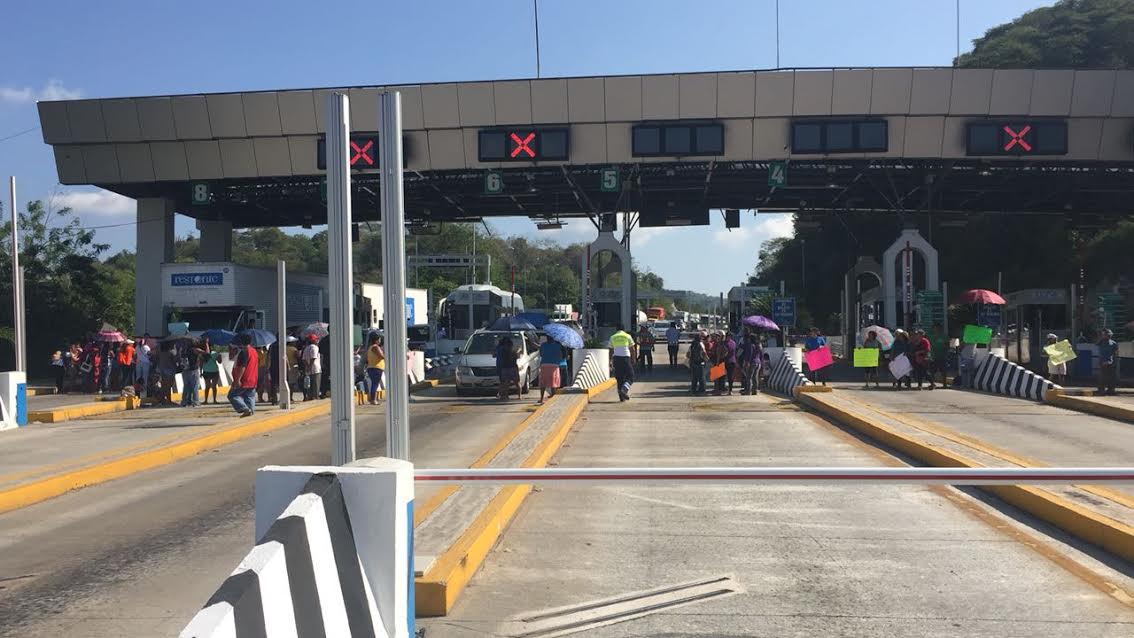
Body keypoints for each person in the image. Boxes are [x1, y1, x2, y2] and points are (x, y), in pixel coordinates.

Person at [228, 333, 259, 417]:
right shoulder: (254, 351)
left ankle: (245, 409)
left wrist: (237, 380)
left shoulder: (244, 352)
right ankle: (250, 412)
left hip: (244, 379)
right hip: (253, 378)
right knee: (249, 396)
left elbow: (242, 366)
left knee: (232, 395)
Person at [609, 325, 636, 402]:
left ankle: (621, 397)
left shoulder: (613, 337)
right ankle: (624, 389)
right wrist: (633, 359)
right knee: (631, 376)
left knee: (619, 377)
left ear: (616, 329)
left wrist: (610, 360)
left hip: (616, 359)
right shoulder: (627, 336)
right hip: (625, 358)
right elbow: (632, 349)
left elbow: (611, 350)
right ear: (624, 329)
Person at [538, 334, 564, 404]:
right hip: (554, 365)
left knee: (543, 382)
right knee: (553, 382)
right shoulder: (558, 346)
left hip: (544, 364)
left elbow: (541, 354)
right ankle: (553, 397)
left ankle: (541, 398)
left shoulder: (543, 345)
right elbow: (560, 355)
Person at [181, 339, 204, 407]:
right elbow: (206, 353)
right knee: (194, 386)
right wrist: (206, 344)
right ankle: (195, 401)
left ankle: (185, 401)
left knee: (186, 386)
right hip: (193, 369)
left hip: (185, 370)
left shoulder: (184, 350)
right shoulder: (195, 350)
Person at [1097, 329, 1118, 396]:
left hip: (1110, 362)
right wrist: (1101, 337)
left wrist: (1115, 362)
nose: (1107, 336)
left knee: (1112, 377)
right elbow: (1097, 344)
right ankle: (1101, 390)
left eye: (1108, 335)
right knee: (1102, 377)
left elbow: (1115, 353)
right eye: (1105, 335)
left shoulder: (1113, 343)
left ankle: (1111, 390)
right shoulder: (1101, 342)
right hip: (1102, 361)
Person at [201, 338, 222, 404]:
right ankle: (214, 400)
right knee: (214, 386)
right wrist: (219, 356)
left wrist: (200, 372)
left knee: (207, 386)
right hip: (214, 371)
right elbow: (220, 362)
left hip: (206, 371)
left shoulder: (203, 354)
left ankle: (206, 400)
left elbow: (200, 364)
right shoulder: (215, 353)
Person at [366, 334, 385, 404]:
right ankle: (373, 400)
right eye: (379, 339)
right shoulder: (375, 347)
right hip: (376, 368)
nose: (380, 341)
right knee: (375, 384)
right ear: (376, 340)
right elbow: (381, 356)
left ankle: (373, 399)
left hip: (372, 367)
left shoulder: (370, 347)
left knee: (375, 383)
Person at [302, 335, 322, 401]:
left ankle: (310, 396)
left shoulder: (306, 348)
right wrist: (310, 366)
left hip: (308, 369)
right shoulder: (315, 347)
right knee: (316, 383)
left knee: (309, 384)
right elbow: (313, 358)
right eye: (316, 339)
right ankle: (316, 396)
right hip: (315, 368)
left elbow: (304, 359)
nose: (317, 341)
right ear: (313, 340)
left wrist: (307, 366)